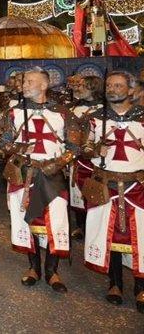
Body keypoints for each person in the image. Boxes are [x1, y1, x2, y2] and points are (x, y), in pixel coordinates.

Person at [0, 67, 80, 293]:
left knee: (55, 222)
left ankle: (52, 271)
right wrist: (20, 147)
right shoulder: (13, 113)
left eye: (29, 81)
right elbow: (3, 142)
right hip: (24, 173)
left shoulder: (63, 112)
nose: (24, 85)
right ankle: (33, 267)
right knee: (28, 220)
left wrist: (58, 162)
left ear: (44, 85)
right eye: (24, 81)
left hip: (52, 174)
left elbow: (75, 146)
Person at [82, 71, 144, 310]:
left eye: (118, 85)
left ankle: (141, 288)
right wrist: (95, 150)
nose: (112, 89)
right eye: (109, 85)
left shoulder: (141, 117)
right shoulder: (94, 117)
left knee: (140, 237)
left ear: (130, 90)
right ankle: (115, 283)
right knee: (109, 236)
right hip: (106, 184)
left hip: (136, 185)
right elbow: (83, 146)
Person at [68, 75, 103, 240]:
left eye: (82, 86)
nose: (78, 88)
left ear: (93, 88)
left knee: (95, 194)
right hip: (77, 159)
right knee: (77, 194)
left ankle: (96, 227)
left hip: (95, 160)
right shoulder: (73, 107)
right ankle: (81, 226)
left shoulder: (104, 109)